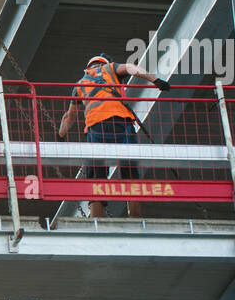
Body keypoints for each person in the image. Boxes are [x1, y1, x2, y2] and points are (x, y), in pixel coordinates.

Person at [58, 54, 171, 219]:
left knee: (97, 177)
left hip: (96, 129)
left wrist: (60, 135)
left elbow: (69, 117)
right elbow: (132, 68)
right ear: (105, 63)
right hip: (122, 124)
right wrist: (155, 80)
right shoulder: (110, 68)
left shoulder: (80, 84)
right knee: (130, 172)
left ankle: (96, 219)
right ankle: (135, 218)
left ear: (89, 67)